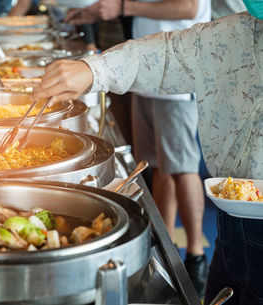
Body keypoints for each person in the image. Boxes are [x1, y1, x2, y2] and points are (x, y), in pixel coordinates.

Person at [33, 7, 262, 304]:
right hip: (233, 224)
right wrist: (93, 70)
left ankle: (195, 256)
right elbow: (170, 54)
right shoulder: (241, 32)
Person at [65, 0, 211, 297]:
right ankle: (168, 249)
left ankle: (196, 256)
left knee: (182, 167)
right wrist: (96, 12)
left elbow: (189, 8)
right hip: (147, 75)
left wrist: (123, 8)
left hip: (178, 77)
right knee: (156, 165)